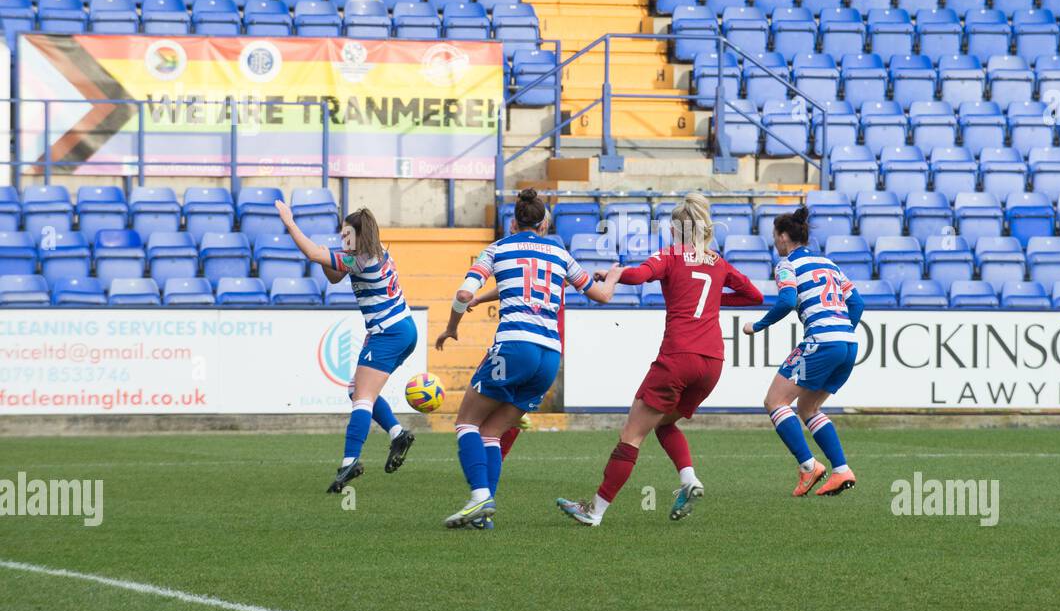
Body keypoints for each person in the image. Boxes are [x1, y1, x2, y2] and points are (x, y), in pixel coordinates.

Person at [556, 192, 763, 527]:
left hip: (678, 357)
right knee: (665, 422)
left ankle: (594, 510)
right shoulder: (717, 262)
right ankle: (689, 480)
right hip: (712, 362)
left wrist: (613, 274)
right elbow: (754, 296)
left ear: (675, 230)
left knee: (632, 434)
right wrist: (712, 299)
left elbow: (638, 276)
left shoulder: (671, 256)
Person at [436, 189, 619, 530]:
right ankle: (483, 516)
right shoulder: (560, 252)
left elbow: (463, 294)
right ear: (544, 223)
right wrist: (614, 276)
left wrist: (451, 327)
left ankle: (479, 497)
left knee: (466, 423)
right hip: (549, 356)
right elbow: (602, 295)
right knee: (492, 432)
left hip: (513, 347)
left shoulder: (498, 248)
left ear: (513, 221)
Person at [275, 201, 418, 493]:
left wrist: (290, 223)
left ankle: (350, 461)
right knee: (357, 390)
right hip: (402, 329)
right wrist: (329, 258)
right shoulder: (377, 253)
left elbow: (315, 254)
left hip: (387, 332)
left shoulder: (359, 260)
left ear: (358, 235)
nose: (343, 239)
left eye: (346, 235)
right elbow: (334, 273)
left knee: (362, 397)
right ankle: (397, 434)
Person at [743, 205, 863, 497]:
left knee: (775, 402)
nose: (775, 242)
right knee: (808, 408)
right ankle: (841, 470)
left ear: (784, 236)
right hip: (848, 343)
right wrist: (843, 331)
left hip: (821, 341)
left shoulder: (787, 264)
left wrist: (758, 325)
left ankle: (809, 467)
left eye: (775, 236)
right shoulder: (829, 263)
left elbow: (786, 301)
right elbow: (857, 303)